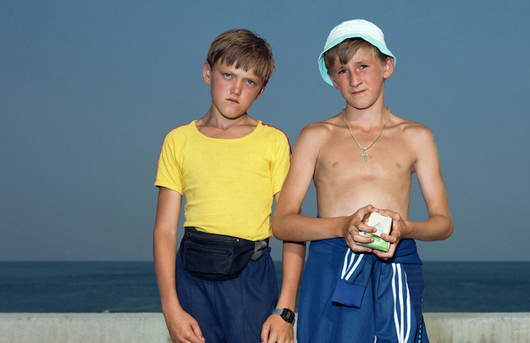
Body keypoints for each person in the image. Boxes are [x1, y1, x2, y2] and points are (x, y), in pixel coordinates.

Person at [272, 19, 453, 343]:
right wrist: (342, 226)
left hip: (397, 262)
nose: (354, 79)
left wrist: (407, 229)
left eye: (363, 66)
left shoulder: (417, 137)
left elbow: (443, 223)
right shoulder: (316, 136)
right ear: (331, 77)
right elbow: (283, 223)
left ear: (387, 66)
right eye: (342, 70)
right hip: (330, 265)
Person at [153, 29, 302, 343]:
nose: (236, 89)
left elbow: (292, 227)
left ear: (261, 90)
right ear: (208, 72)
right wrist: (171, 307)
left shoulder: (273, 141)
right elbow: (165, 230)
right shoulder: (178, 140)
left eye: (249, 82)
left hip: (251, 278)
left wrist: (285, 310)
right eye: (228, 74)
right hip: (191, 276)